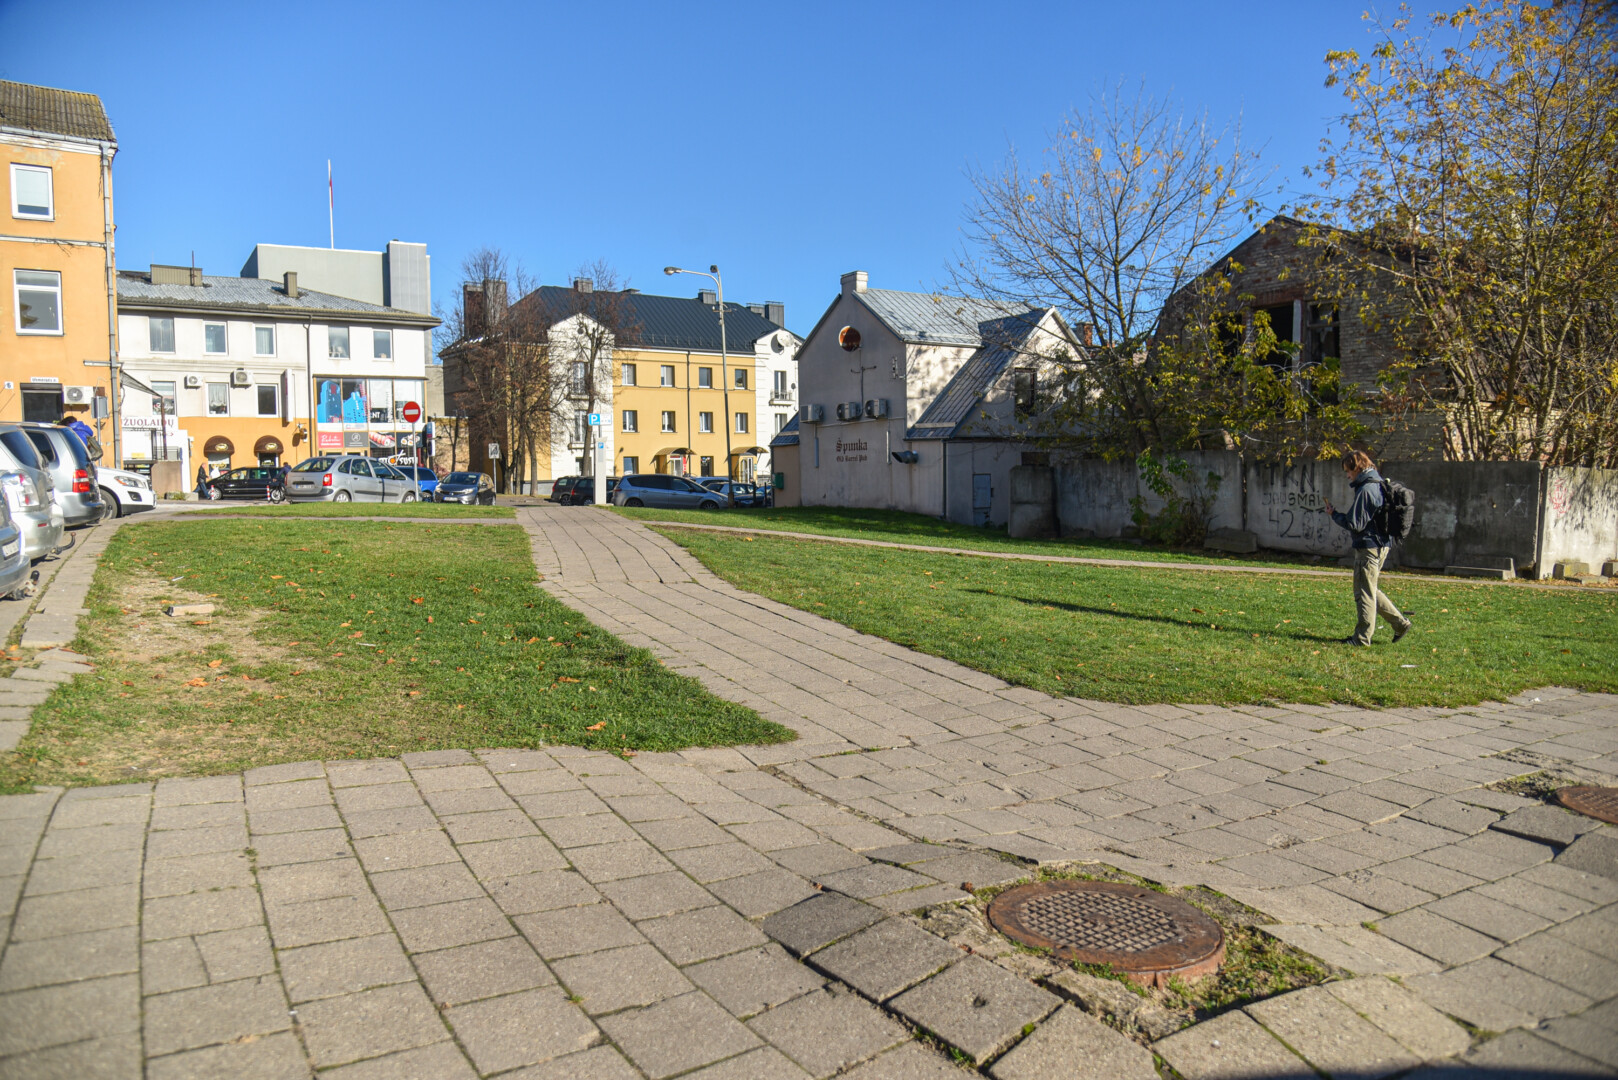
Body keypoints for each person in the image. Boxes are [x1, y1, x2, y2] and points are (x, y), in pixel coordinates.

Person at [1324, 450, 1412, 646]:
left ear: (1357, 468)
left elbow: (1355, 523)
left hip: (1369, 546)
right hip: (1381, 544)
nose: (1347, 475)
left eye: (1348, 470)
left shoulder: (1366, 490)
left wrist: (1335, 515)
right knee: (1370, 589)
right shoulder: (1379, 483)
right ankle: (1400, 624)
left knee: (1363, 593)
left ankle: (1361, 638)